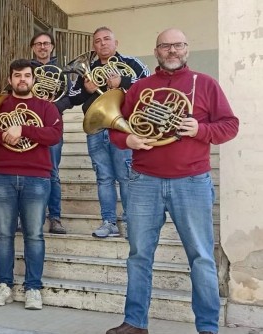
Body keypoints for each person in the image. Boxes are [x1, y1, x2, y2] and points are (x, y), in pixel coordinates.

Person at [105, 28, 238, 334]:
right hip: (143, 180)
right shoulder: (140, 89)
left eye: (178, 45)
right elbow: (115, 130)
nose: (173, 51)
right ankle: (135, 323)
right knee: (139, 255)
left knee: (202, 258)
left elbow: (230, 126)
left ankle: (207, 327)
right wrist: (130, 140)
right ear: (157, 51)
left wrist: (200, 130)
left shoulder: (205, 84)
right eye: (166, 46)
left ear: (187, 49)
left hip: (191, 181)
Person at [0, 59, 62, 310]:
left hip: (37, 177)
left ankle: (33, 287)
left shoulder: (46, 107)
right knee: (3, 234)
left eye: (26, 75)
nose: (22, 79)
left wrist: (22, 128)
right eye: (17, 76)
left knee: (34, 235)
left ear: (33, 79)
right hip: (1, 176)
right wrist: (3, 135)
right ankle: (4, 285)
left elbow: (54, 135)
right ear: (10, 79)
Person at [68, 27, 150, 238]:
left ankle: (132, 222)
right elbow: (73, 96)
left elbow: (149, 83)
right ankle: (109, 222)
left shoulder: (131, 63)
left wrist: (121, 82)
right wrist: (86, 88)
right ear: (94, 46)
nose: (102, 43)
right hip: (96, 128)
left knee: (125, 175)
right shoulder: (89, 69)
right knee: (103, 177)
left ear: (116, 42)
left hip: (122, 127)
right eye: (98, 41)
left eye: (107, 39)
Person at [29, 31, 73, 234]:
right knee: (28, 171)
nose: (42, 47)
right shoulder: (26, 69)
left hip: (52, 125)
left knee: (52, 172)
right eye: (38, 44)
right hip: (29, 123)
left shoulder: (61, 72)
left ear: (52, 47)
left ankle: (54, 217)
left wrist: (51, 107)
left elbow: (69, 98)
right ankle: (27, 215)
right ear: (33, 48)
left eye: (46, 43)